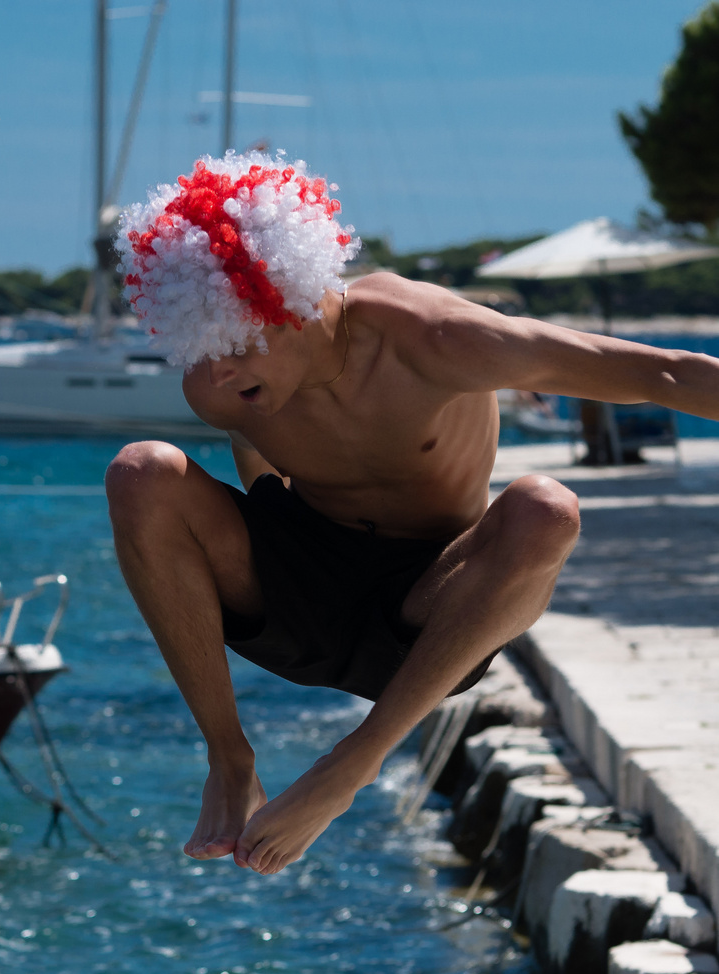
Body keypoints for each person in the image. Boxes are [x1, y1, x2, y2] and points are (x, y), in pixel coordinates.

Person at [106, 151, 719, 876]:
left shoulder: (436, 339)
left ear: (293, 298)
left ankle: (348, 768)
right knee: (141, 470)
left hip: (428, 609)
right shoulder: (222, 388)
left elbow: (664, 373)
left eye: (234, 341)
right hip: (297, 597)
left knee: (546, 509)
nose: (216, 372)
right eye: (202, 343)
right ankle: (229, 758)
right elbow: (254, 466)